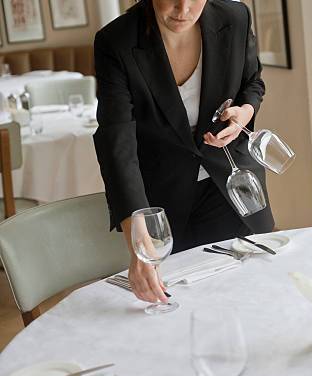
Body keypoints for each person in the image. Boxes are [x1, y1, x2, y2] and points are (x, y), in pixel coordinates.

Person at [93, 0, 274, 305]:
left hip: (232, 187)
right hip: (166, 198)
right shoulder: (117, 41)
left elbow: (252, 83)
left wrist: (244, 112)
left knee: (252, 296)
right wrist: (138, 241)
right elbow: (117, 143)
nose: (184, 8)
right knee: (183, 306)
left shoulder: (236, 17)